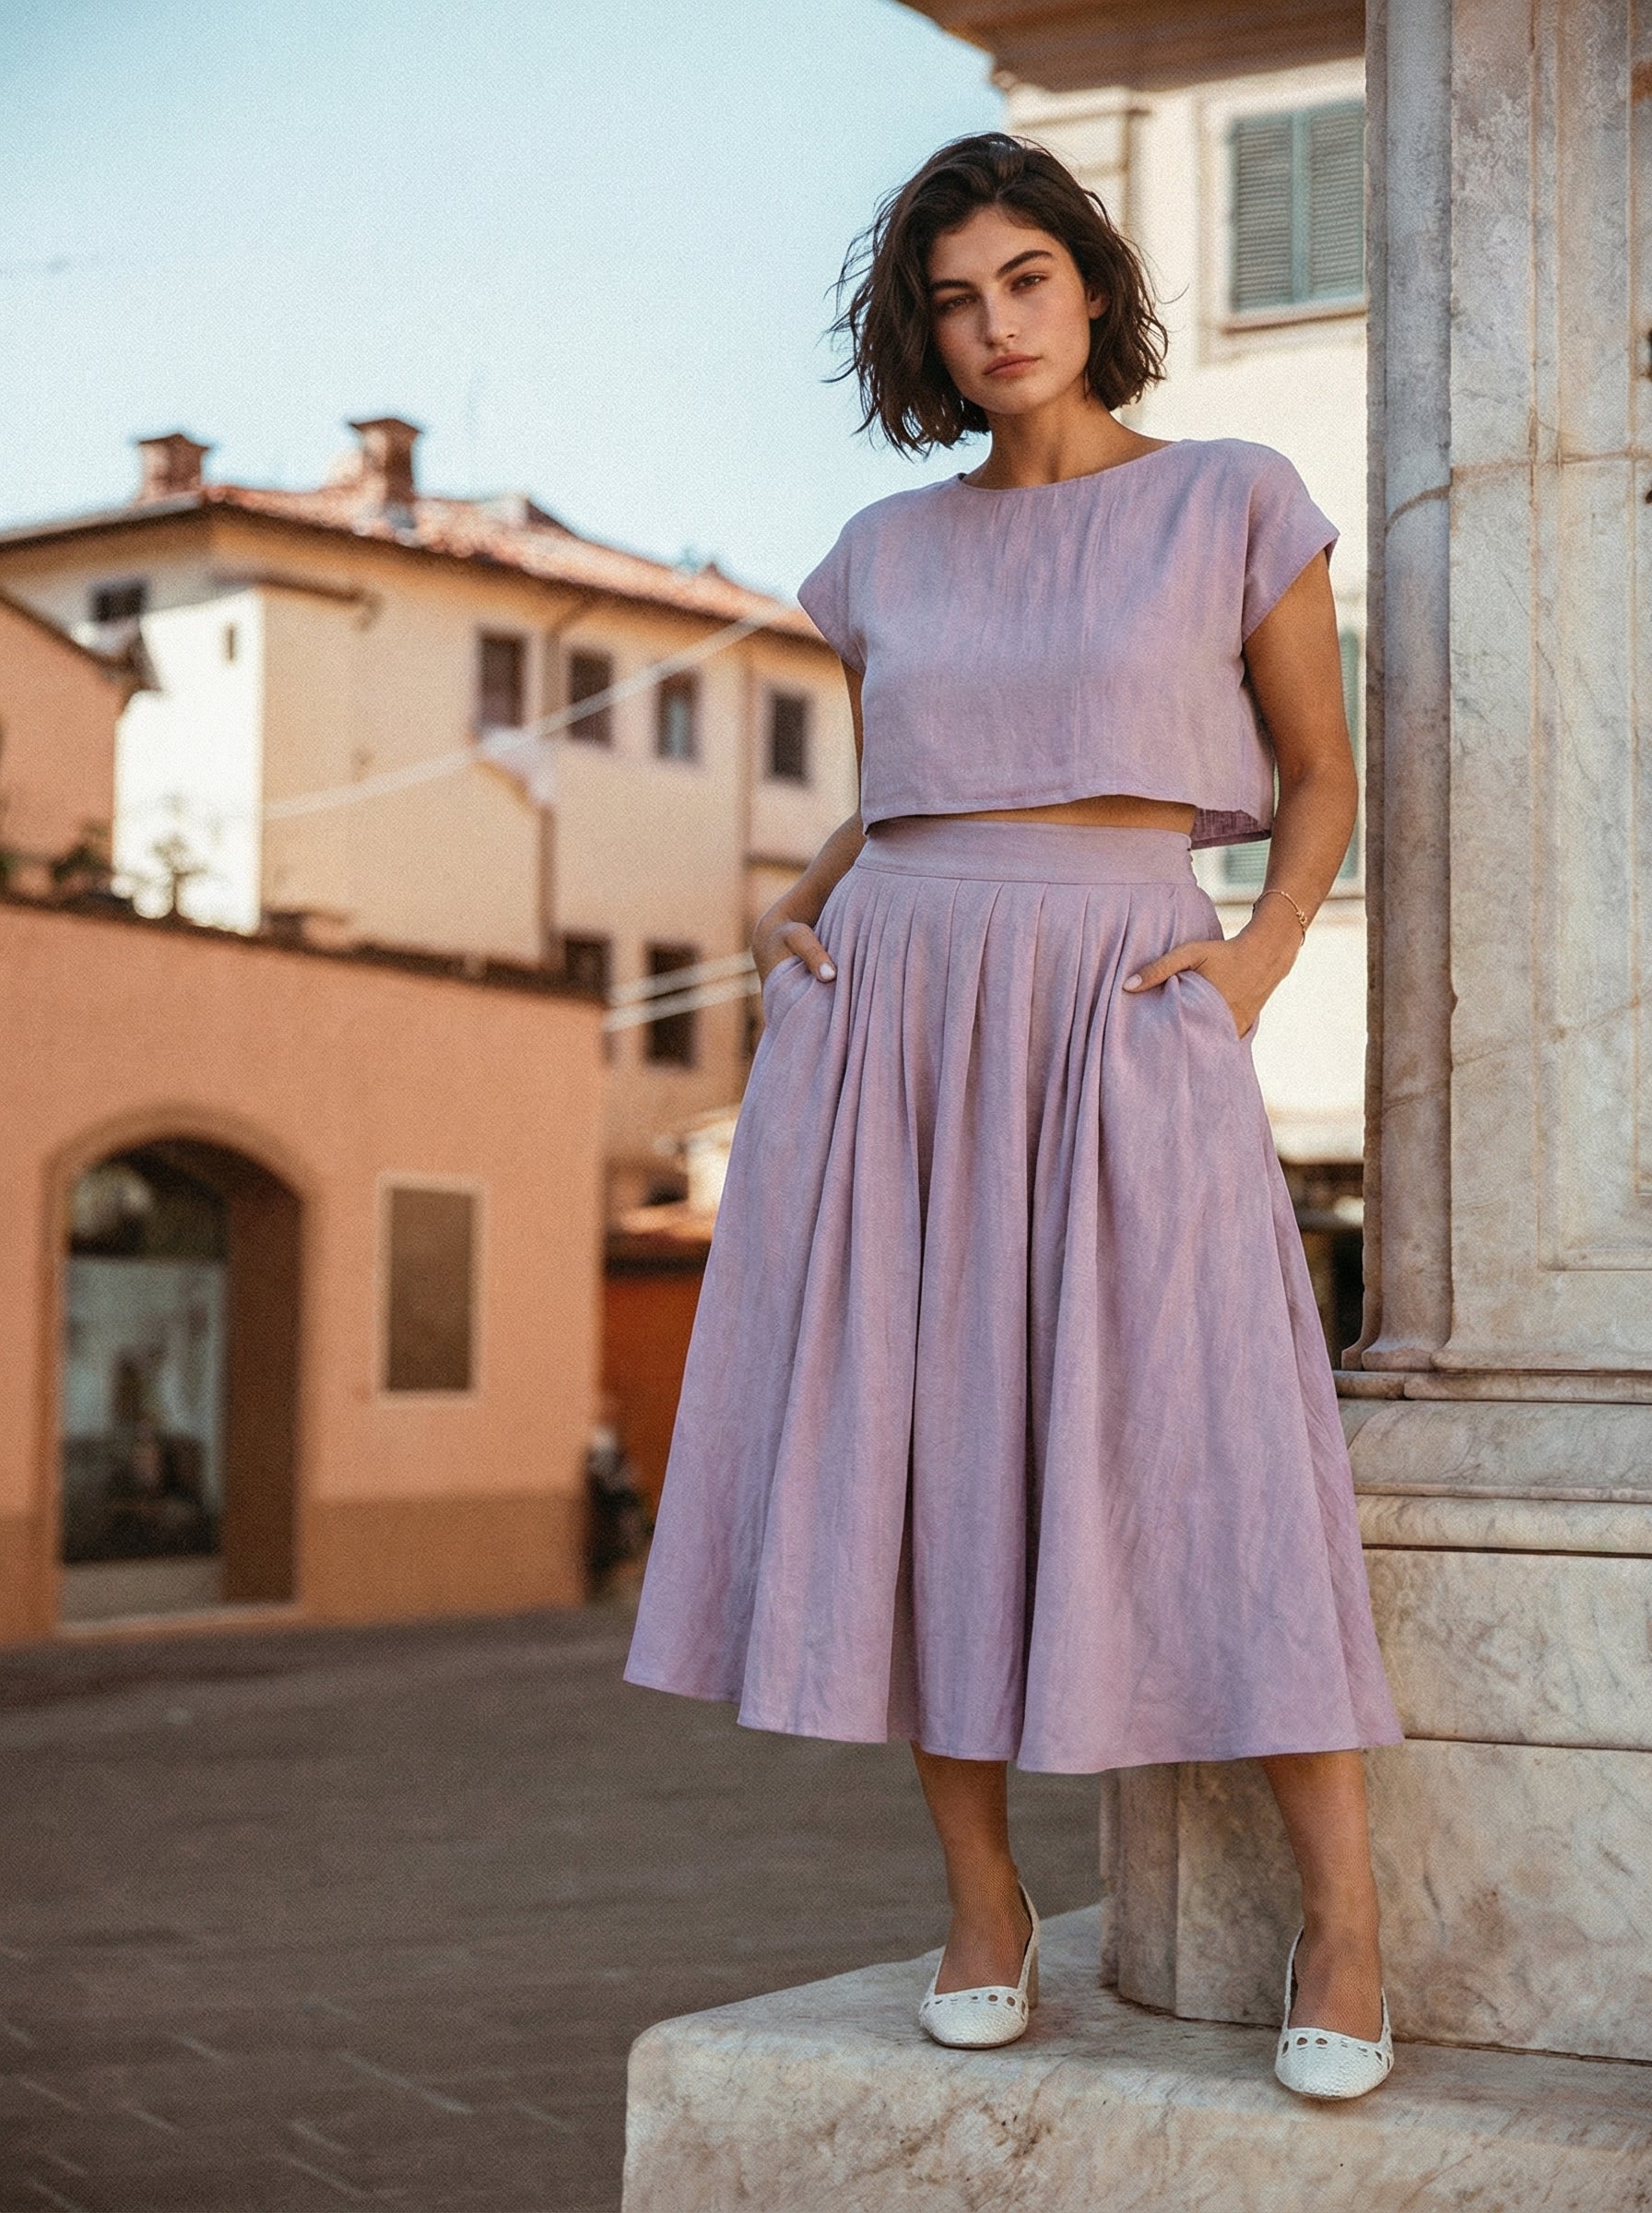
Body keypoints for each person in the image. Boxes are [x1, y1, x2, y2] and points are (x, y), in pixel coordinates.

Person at [624, 132, 1403, 2102]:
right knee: (926, 1441)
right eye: (953, 298)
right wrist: (792, 927)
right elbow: (912, 787)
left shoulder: (1232, 501)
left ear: (1089, 283)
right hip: (892, 1008)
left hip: (1125, 995)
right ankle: (979, 1901)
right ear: (920, 327)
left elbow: (1316, 777)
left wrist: (1253, 966)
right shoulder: (884, 553)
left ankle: (1347, 1911)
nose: (992, 326)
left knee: (1214, 1432)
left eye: (1023, 281)